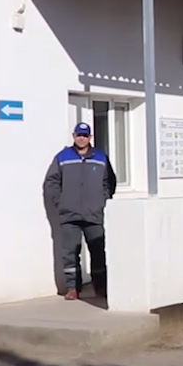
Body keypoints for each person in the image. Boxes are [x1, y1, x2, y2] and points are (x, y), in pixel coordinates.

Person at [42, 122, 117, 301]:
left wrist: (102, 199)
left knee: (98, 252)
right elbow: (51, 182)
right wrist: (60, 202)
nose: (81, 138)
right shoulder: (62, 157)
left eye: (85, 135)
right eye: (79, 135)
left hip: (94, 214)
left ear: (90, 137)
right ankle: (72, 288)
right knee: (70, 253)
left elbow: (109, 182)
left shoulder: (101, 157)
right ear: (74, 136)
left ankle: (100, 287)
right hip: (69, 215)